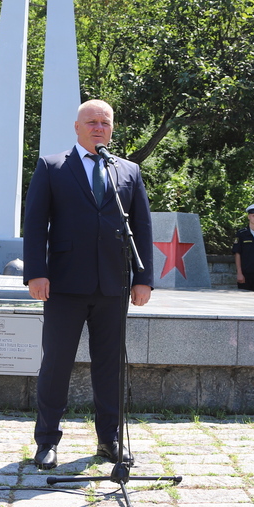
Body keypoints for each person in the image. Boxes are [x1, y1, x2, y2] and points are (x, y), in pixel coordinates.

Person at [22, 99, 154, 470]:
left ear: (111, 129)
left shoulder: (127, 170)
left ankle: (109, 440)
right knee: (56, 364)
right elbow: (35, 223)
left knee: (110, 366)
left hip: (113, 284)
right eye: (92, 122)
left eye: (105, 123)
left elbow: (142, 227)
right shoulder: (52, 166)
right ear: (77, 127)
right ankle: (47, 441)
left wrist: (143, 279)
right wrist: (36, 272)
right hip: (64, 284)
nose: (99, 128)